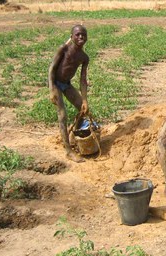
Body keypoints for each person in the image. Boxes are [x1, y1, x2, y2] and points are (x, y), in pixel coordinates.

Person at [48, 25, 90, 163]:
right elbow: (51, 69)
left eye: (83, 35)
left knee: (83, 110)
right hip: (56, 83)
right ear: (71, 36)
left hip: (67, 84)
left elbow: (83, 80)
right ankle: (68, 151)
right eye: (77, 34)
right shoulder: (64, 49)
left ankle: (72, 137)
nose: (81, 37)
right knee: (63, 115)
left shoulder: (84, 57)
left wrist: (84, 100)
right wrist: (51, 89)